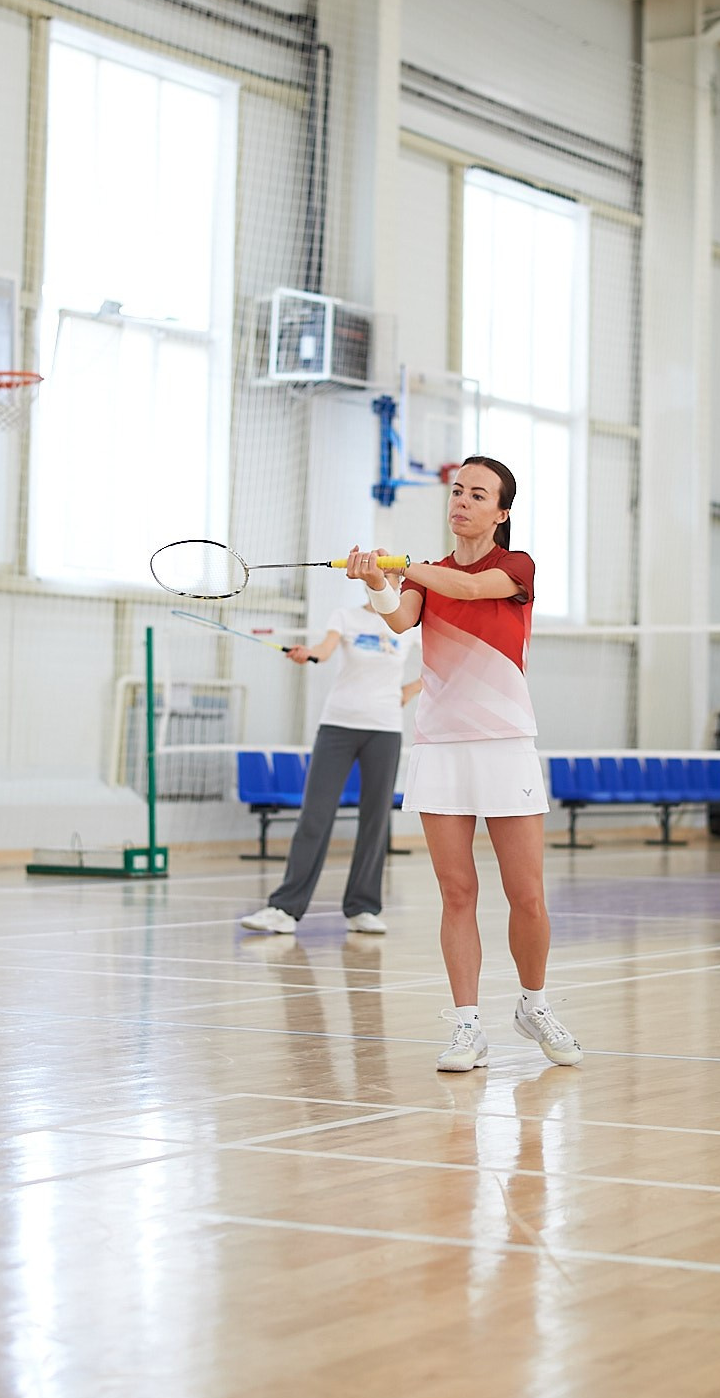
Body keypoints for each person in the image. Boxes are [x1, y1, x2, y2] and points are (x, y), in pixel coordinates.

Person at [345, 457, 581, 1072]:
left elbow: (471, 590)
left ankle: (534, 1005)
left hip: (505, 745)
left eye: (479, 494)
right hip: (440, 747)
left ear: (501, 512)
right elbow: (400, 618)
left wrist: (400, 564)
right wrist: (376, 580)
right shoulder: (430, 574)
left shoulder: (515, 567)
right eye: (457, 491)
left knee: (527, 895)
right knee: (457, 893)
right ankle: (467, 1026)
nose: (463, 502)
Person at [239, 611, 422, 935]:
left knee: (376, 819)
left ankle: (362, 907)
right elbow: (325, 650)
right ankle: (285, 908)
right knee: (315, 815)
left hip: (384, 728)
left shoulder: (409, 624)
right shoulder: (345, 617)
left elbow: (442, 663)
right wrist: (309, 653)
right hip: (337, 726)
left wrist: (410, 690)